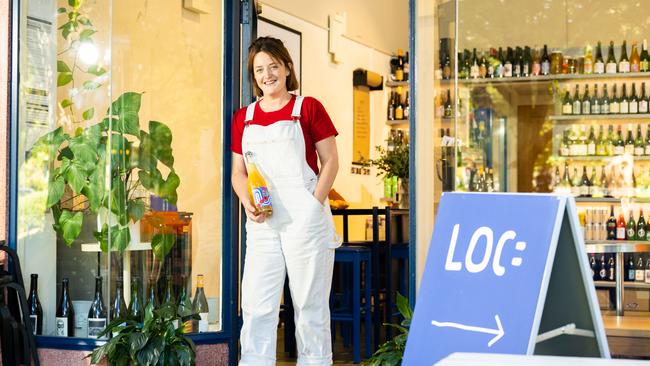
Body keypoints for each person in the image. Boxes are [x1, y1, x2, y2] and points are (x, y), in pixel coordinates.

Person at [231, 36, 341, 366]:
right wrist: (246, 200)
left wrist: (312, 205)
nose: (267, 75)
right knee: (257, 306)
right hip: (263, 222)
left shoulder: (307, 108)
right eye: (259, 69)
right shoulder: (243, 117)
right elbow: (238, 172)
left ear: (287, 68)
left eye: (273, 67)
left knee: (309, 306)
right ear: (254, 76)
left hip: (305, 221)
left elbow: (331, 161)